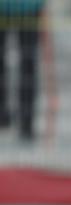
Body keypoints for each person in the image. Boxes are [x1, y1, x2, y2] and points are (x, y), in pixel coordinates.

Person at [0, 0, 45, 141]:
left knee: (28, 63)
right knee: (28, 64)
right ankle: (7, 117)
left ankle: (26, 123)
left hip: (29, 6)